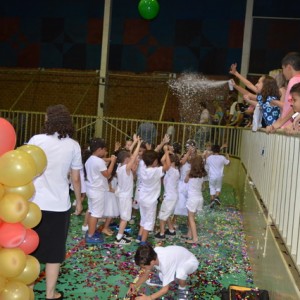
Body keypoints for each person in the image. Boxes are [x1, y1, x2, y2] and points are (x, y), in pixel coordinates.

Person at [28, 104, 82, 300]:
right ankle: (51, 294)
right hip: (59, 206)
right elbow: (75, 178)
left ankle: (29, 291)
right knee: (54, 253)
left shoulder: (37, 140)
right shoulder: (73, 145)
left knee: (31, 250)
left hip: (35, 205)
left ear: (49, 120)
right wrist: (79, 201)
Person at [127, 244, 199, 300]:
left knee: (181, 273)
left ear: (152, 262)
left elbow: (165, 289)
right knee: (163, 272)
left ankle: (182, 289)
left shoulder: (165, 264)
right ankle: (164, 279)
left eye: (144, 267)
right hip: (178, 260)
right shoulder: (153, 254)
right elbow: (146, 274)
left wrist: (149, 298)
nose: (143, 268)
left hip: (190, 262)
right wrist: (135, 285)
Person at [84, 138, 117, 244]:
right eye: (104, 150)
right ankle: (91, 235)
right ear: (99, 149)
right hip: (97, 191)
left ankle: (90, 231)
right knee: (96, 214)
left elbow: (103, 161)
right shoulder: (98, 161)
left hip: (91, 189)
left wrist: (110, 159)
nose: (104, 152)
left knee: (91, 211)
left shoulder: (90, 159)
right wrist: (113, 162)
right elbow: (107, 175)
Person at [229, 63, 281, 129]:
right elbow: (249, 91)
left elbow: (250, 89)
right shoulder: (264, 97)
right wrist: (235, 84)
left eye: (258, 82)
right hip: (270, 129)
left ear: (266, 86)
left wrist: (248, 100)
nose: (256, 85)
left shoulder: (271, 99)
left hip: (274, 129)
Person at [137, 146, 171, 244]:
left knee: (143, 218)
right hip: (150, 201)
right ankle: (143, 242)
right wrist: (166, 152)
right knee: (149, 222)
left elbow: (146, 159)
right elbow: (167, 166)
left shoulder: (142, 169)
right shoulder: (155, 171)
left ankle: (139, 236)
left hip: (142, 198)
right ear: (154, 161)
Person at [114, 135, 142, 245]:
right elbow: (133, 156)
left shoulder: (120, 166)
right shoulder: (125, 168)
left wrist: (134, 142)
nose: (131, 158)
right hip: (125, 197)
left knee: (123, 217)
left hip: (122, 195)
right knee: (125, 218)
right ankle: (119, 238)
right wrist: (138, 143)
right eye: (129, 158)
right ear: (126, 160)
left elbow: (129, 153)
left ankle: (121, 233)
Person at [266, 52, 300, 133]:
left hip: (289, 128)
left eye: (283, 69)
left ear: (288, 67)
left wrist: (278, 124)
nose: (283, 73)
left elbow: (292, 108)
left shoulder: (294, 80)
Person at [155, 152, 180, 239]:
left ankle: (162, 233)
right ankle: (171, 230)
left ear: (171, 162)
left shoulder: (172, 170)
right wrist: (167, 152)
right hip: (170, 196)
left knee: (162, 215)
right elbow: (162, 160)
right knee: (167, 213)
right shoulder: (172, 171)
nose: (164, 162)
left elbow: (164, 161)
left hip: (170, 197)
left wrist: (166, 151)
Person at [184, 155, 207, 244]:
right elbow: (202, 187)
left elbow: (185, 181)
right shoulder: (202, 175)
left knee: (191, 218)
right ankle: (189, 234)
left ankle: (195, 238)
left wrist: (187, 174)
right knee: (192, 218)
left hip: (192, 199)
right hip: (199, 198)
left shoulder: (190, 174)